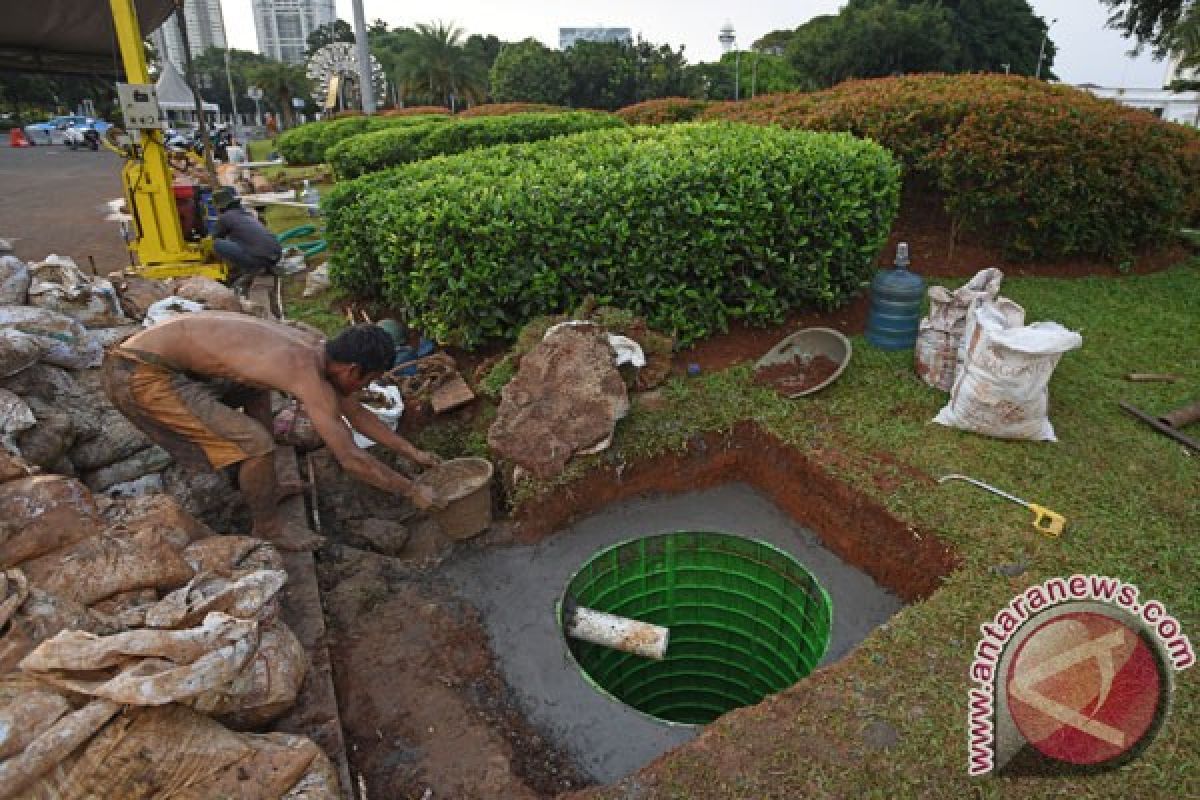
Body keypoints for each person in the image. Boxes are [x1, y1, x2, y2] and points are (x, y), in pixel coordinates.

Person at [102, 314, 441, 551]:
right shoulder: (303, 371)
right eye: (365, 381)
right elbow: (351, 458)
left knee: (255, 389)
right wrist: (411, 491)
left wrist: (413, 453)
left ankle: (268, 486)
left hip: (166, 361)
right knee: (257, 445)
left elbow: (355, 412)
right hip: (139, 374)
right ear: (352, 368)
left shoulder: (315, 348)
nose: (361, 388)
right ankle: (267, 527)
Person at [211, 186, 281, 289]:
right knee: (246, 242)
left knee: (217, 244)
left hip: (260, 258)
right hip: (276, 255)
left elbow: (215, 237)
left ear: (219, 207)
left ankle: (250, 269)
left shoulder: (225, 217)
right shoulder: (246, 214)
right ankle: (264, 267)